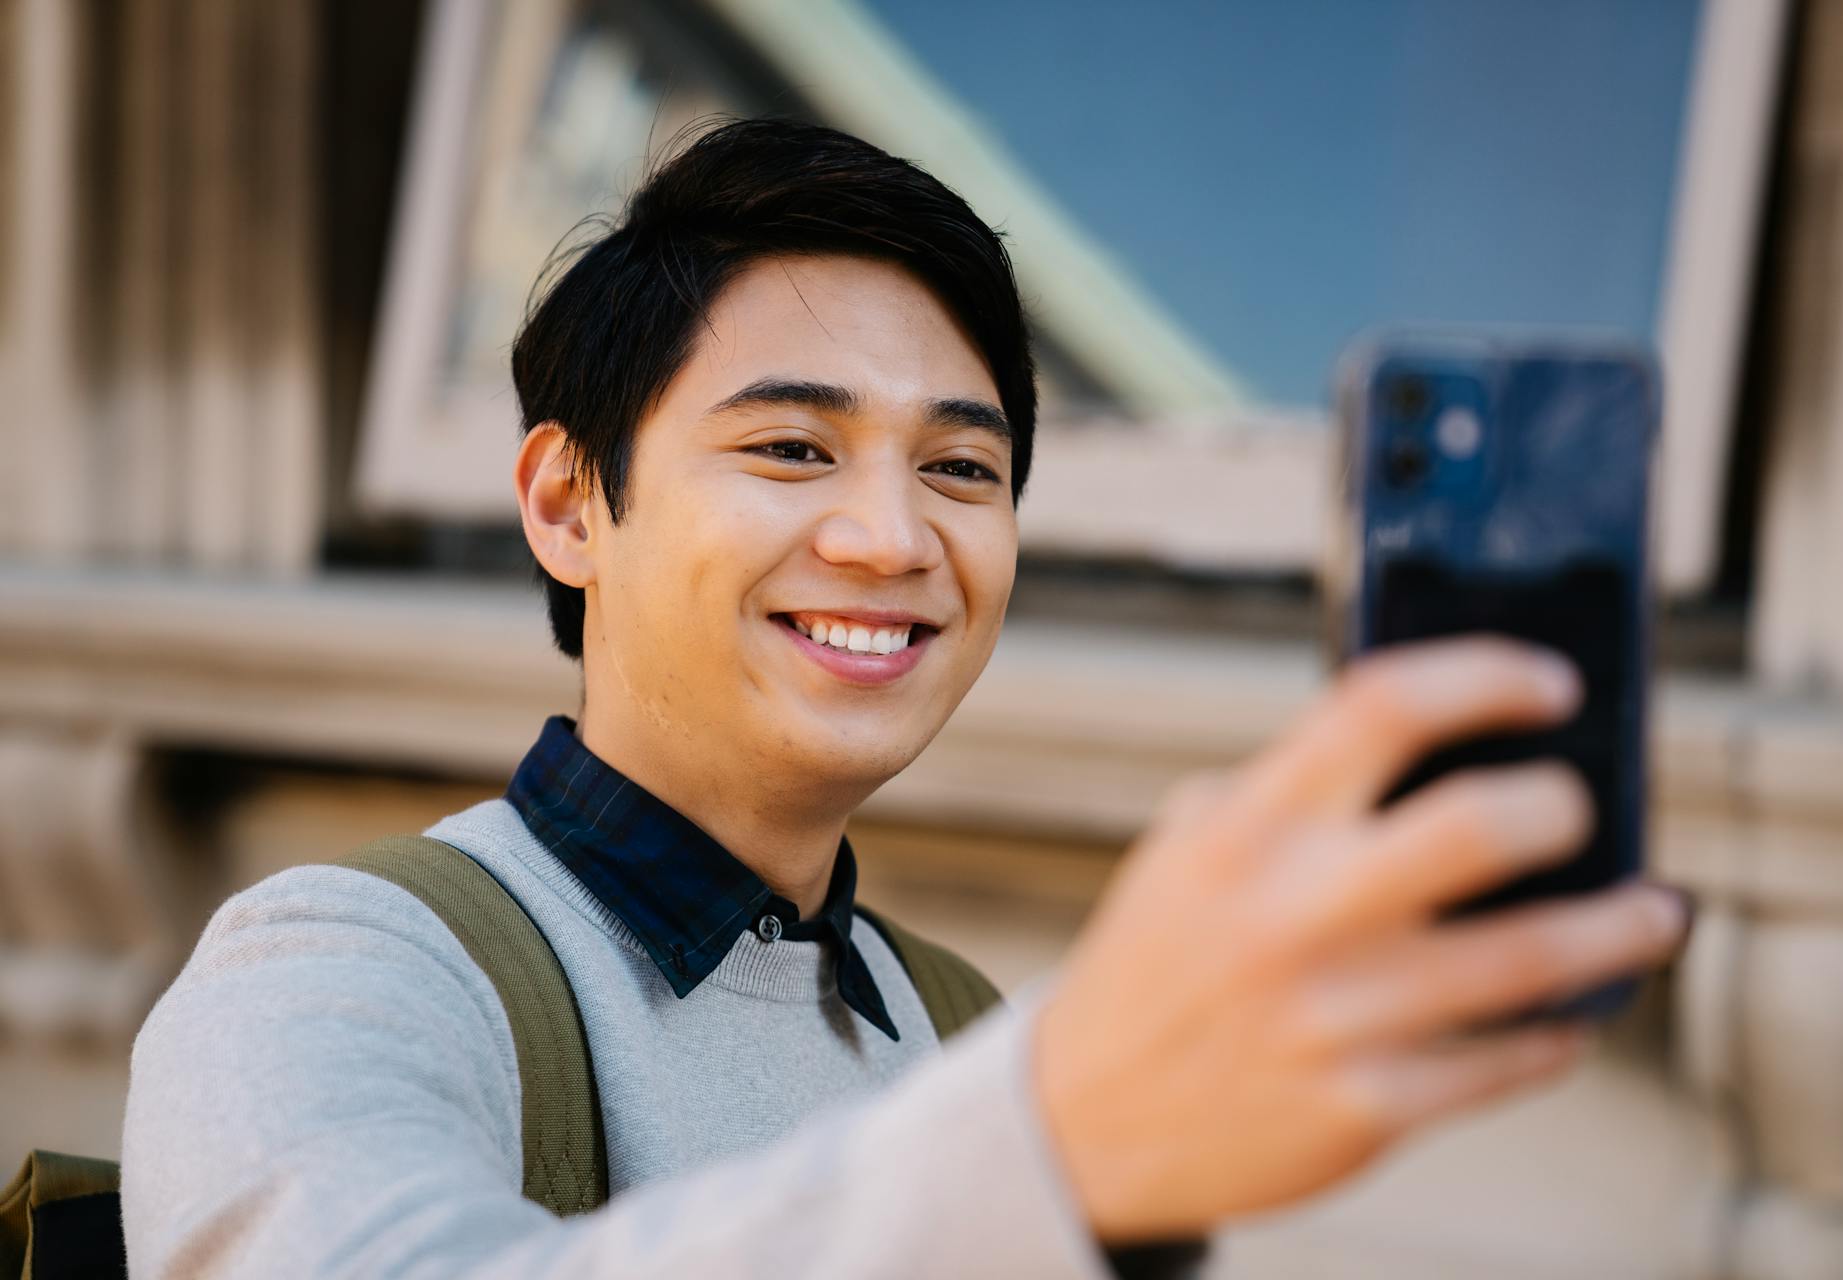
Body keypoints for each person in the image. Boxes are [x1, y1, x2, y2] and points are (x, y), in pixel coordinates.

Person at [119, 117, 1692, 1278]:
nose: (891, 539)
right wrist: (1055, 1141)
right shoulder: (342, 966)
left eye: (961, 469)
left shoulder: (959, 1031)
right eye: (793, 449)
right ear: (568, 502)